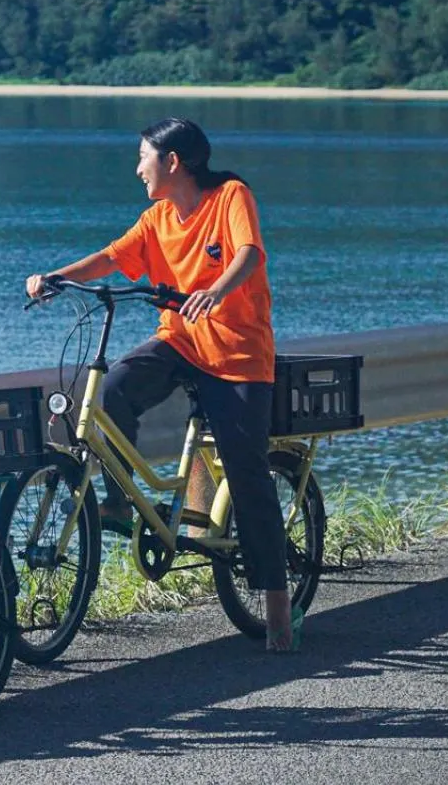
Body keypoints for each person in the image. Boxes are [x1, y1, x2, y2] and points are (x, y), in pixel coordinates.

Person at [24, 117, 298, 653]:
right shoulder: (157, 219)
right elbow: (111, 256)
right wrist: (58, 276)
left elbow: (249, 254)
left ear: (173, 161)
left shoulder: (230, 196)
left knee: (246, 474)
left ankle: (278, 609)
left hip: (238, 356)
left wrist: (217, 291)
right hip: (180, 341)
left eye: (143, 157)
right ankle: (120, 502)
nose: (137, 168)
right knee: (110, 393)